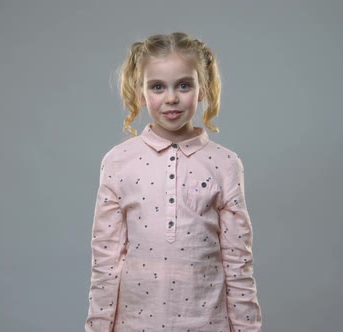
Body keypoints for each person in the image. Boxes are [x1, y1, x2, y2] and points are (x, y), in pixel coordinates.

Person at [85, 32, 262, 331]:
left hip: (208, 323)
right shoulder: (118, 162)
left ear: (203, 88)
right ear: (140, 93)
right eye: (157, 87)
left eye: (184, 85)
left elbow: (238, 261)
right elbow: (106, 260)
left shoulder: (225, 164)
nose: (171, 97)